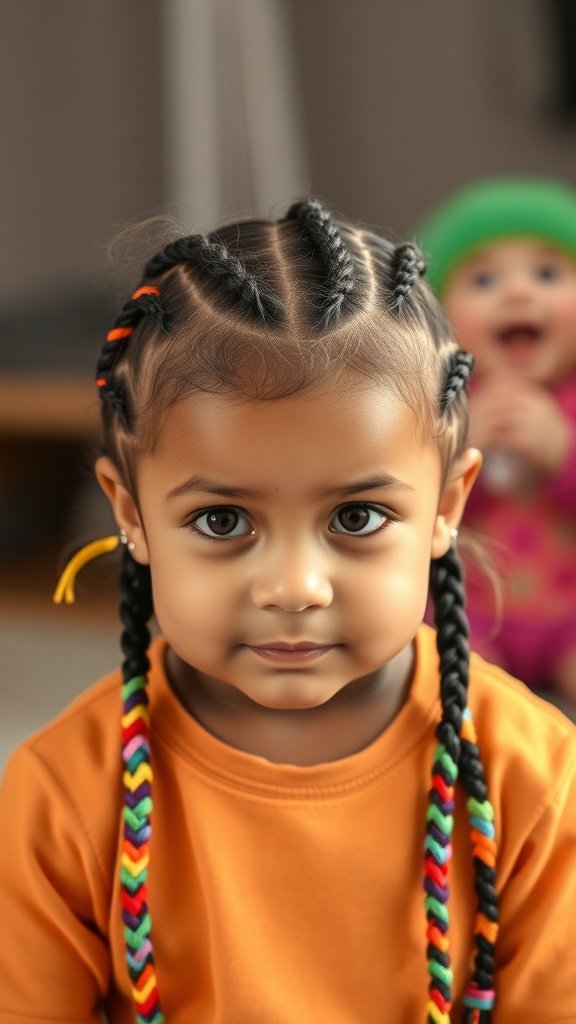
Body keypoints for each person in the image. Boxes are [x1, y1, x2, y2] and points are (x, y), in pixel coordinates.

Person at [0, 199, 574, 1024]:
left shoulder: (539, 775)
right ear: (131, 514)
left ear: (448, 505)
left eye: (357, 517)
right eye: (221, 521)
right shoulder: (63, 795)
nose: (296, 587)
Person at [417, 179, 576, 702]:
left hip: (571, 615)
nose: (517, 293)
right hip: (472, 612)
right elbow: (408, 510)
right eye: (484, 280)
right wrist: (459, 453)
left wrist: (564, 454)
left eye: (548, 274)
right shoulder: (438, 405)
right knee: (458, 684)